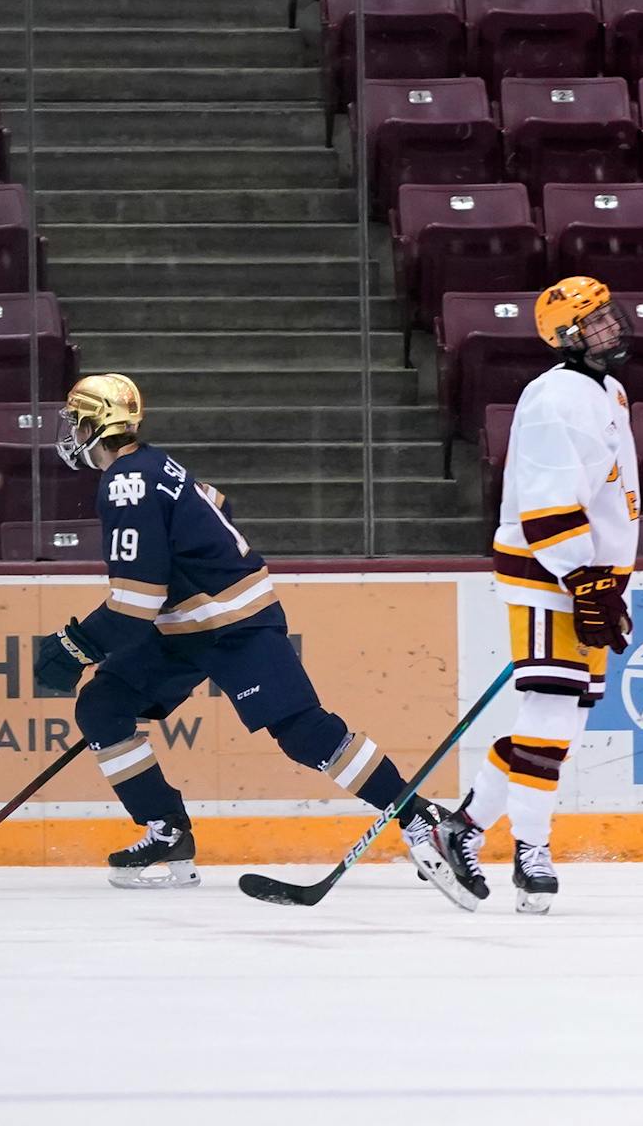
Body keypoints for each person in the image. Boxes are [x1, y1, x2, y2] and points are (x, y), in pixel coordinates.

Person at [32, 373, 455, 893]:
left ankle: (422, 819)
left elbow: (133, 603)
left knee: (305, 733)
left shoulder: (124, 482)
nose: (71, 433)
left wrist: (75, 646)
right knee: (103, 706)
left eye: (76, 422)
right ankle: (167, 832)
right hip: (188, 626)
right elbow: (217, 502)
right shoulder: (157, 463)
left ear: (97, 424)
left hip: (235, 625)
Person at [426, 277, 639, 914]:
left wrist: (602, 578)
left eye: (609, 316)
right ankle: (531, 851)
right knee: (548, 715)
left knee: (559, 720)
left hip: (589, 578)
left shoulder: (609, 391)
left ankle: (461, 827)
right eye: (594, 322)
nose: (611, 327)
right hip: (552, 578)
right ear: (565, 337)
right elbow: (548, 507)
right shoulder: (554, 398)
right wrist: (579, 576)